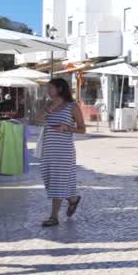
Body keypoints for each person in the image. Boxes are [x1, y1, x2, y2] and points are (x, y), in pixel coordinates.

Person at [35, 78, 86, 227]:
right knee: (50, 180)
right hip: (48, 149)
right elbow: (37, 120)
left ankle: (54, 217)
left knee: (57, 181)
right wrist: (49, 109)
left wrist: (67, 128)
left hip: (64, 151)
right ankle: (72, 199)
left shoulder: (72, 106)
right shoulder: (48, 106)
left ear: (60, 89)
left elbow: (82, 129)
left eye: (50, 88)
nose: (48, 91)